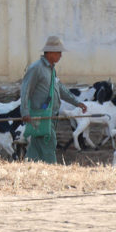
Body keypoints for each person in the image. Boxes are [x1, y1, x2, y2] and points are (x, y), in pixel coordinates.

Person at [20, 35, 87, 163]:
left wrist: (77, 102)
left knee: (36, 145)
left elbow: (61, 89)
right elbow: (25, 90)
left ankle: (28, 167)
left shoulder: (51, 70)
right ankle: (52, 169)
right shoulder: (36, 68)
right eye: (58, 52)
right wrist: (25, 112)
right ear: (50, 52)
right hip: (40, 116)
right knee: (49, 142)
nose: (60, 55)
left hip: (50, 115)